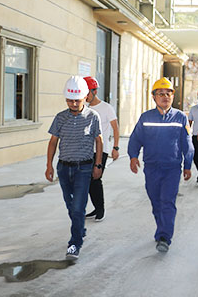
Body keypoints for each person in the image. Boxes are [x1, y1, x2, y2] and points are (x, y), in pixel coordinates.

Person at [128, 77, 194, 253]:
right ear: (154, 97)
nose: (165, 97)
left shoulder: (180, 118)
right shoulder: (146, 117)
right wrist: (133, 157)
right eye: (161, 94)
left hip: (172, 168)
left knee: (167, 201)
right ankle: (161, 229)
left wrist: (188, 165)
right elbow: (135, 139)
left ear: (173, 96)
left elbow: (187, 143)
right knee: (156, 201)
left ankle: (165, 236)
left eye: (168, 94)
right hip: (151, 168)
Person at [45, 76, 103, 261]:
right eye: (70, 100)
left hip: (84, 168)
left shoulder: (93, 117)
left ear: (85, 97)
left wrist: (98, 164)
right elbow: (53, 142)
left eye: (77, 100)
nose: (73, 104)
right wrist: (49, 165)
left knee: (78, 207)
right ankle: (80, 229)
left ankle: (74, 243)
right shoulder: (60, 118)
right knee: (71, 205)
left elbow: (99, 141)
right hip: (64, 168)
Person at [84, 76, 120, 221]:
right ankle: (96, 208)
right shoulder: (84, 108)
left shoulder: (106, 108)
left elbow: (115, 128)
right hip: (86, 151)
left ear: (94, 91)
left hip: (101, 150)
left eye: (86, 93)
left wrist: (115, 147)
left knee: (96, 179)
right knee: (87, 181)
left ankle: (101, 209)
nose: (85, 96)